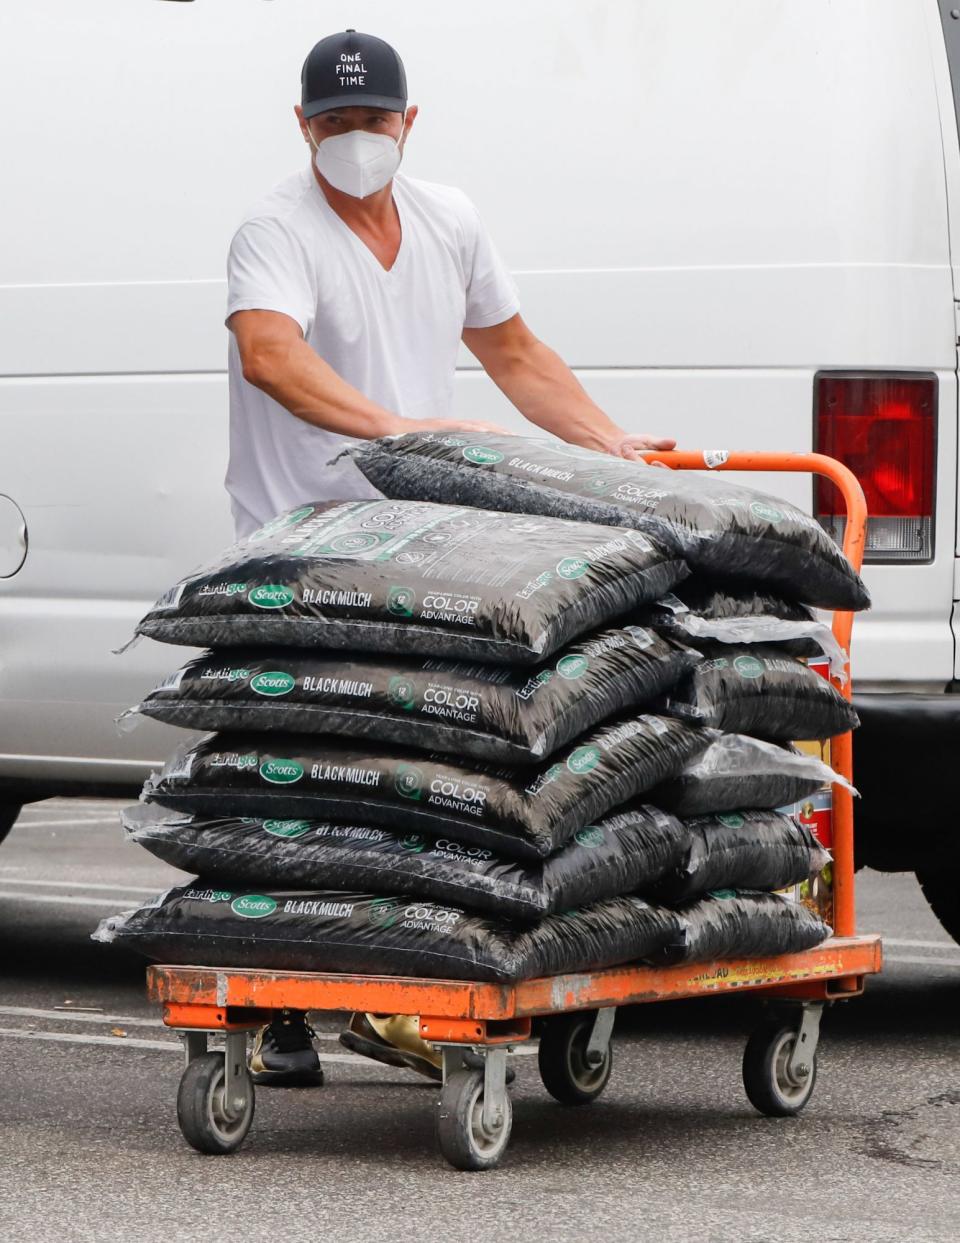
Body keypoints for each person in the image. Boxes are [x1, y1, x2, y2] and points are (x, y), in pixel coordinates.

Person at [227, 28, 675, 1086]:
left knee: (421, 767)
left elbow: (515, 351)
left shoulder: (448, 219)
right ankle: (276, 995)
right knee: (304, 770)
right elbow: (270, 353)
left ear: (408, 123)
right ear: (302, 127)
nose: (354, 140)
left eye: (371, 121)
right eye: (332, 123)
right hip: (301, 536)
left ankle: (397, 980)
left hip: (419, 535)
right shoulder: (273, 231)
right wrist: (394, 431)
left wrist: (606, 444)